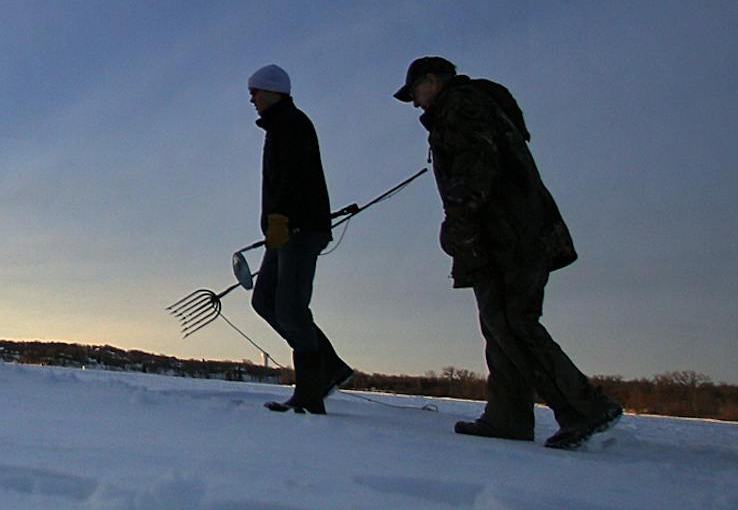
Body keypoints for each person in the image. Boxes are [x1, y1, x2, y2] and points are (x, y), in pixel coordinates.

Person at [394, 56, 623, 449]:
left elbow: (476, 169)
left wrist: (460, 223)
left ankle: (583, 407)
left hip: (508, 235)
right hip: (512, 233)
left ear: (432, 81)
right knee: (498, 321)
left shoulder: (462, 106)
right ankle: (508, 416)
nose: (416, 103)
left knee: (512, 320)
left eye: (415, 91)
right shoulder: (470, 107)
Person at [246, 64, 354, 414]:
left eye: (257, 91)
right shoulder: (278, 127)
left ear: (275, 91)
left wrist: (282, 218)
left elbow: (294, 178)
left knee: (290, 307)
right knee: (264, 299)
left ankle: (310, 393)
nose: (253, 98)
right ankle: (330, 367)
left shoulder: (293, 125)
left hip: (299, 229)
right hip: (283, 228)